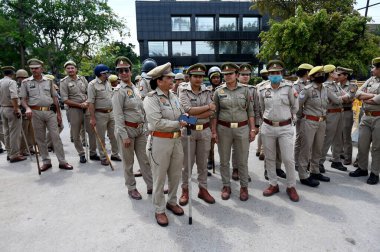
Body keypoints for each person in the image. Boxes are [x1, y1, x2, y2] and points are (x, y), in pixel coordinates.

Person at [144, 62, 186, 227]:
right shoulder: (151, 98)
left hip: (176, 141)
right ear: (159, 81)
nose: (172, 80)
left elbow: (181, 114)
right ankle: (159, 209)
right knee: (159, 177)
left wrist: (188, 119)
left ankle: (172, 201)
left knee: (176, 174)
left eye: (172, 77)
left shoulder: (174, 96)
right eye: (169, 78)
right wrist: (179, 124)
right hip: (159, 141)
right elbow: (156, 123)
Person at [297, 66, 348, 187]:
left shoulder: (326, 89)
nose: (320, 76)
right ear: (312, 77)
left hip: (322, 122)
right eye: (317, 74)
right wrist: (301, 119)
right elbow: (298, 106)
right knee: (306, 149)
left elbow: (336, 100)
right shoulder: (307, 89)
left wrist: (349, 95)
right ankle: (303, 175)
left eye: (322, 74)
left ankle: (315, 171)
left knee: (318, 147)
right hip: (309, 121)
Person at [212, 62, 255, 201]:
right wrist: (214, 131)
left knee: (242, 160)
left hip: (242, 128)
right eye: (225, 74)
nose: (227, 76)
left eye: (230, 74)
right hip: (223, 129)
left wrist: (253, 129)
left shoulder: (245, 90)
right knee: (224, 160)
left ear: (236, 75)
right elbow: (214, 114)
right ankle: (226, 185)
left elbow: (250, 111)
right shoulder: (218, 91)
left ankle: (244, 187)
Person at [112, 56, 153, 199]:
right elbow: (117, 115)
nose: (123, 73)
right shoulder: (119, 91)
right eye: (120, 71)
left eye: (126, 70)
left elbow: (141, 110)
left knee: (145, 160)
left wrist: (146, 128)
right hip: (127, 131)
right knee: (128, 163)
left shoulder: (135, 88)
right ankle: (131, 188)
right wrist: (124, 136)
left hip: (140, 130)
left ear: (130, 71)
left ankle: (151, 184)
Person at [20, 59, 73, 171]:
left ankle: (62, 161)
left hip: (50, 112)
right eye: (32, 68)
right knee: (40, 138)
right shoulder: (26, 82)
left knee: (56, 137)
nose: (34, 70)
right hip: (35, 112)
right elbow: (23, 99)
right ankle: (46, 161)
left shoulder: (49, 81)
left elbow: (54, 98)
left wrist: (59, 114)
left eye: (36, 68)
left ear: (42, 69)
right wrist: (27, 108)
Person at [257, 60, 299, 202]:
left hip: (285, 127)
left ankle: (291, 186)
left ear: (281, 73)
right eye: (272, 73)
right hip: (268, 127)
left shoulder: (289, 87)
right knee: (270, 157)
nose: (275, 75)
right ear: (268, 74)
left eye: (278, 72)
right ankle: (273, 184)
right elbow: (261, 108)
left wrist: (285, 118)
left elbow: (295, 107)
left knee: (288, 158)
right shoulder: (262, 89)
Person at [178, 63, 216, 206]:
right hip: (189, 130)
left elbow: (213, 112)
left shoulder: (207, 90)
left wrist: (195, 113)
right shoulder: (183, 90)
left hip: (205, 130)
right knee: (187, 164)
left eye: (201, 76)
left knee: (202, 163)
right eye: (195, 76)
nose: (199, 79)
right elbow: (187, 109)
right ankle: (185, 190)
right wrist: (206, 108)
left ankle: (203, 189)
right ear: (189, 77)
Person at [60, 60, 99, 163]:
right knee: (76, 134)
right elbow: (64, 99)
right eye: (68, 68)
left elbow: (88, 92)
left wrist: (87, 102)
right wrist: (79, 105)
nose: (70, 70)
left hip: (86, 108)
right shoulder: (64, 82)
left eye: (72, 68)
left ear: (76, 69)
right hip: (74, 110)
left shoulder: (82, 79)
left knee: (92, 131)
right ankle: (81, 154)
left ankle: (93, 153)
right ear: (65, 70)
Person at [349, 57, 380, 185]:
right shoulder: (370, 80)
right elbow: (357, 93)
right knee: (362, 144)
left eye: (373, 68)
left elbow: (377, 100)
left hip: (378, 117)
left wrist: (366, 98)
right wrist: (372, 97)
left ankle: (374, 173)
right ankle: (362, 168)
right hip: (366, 117)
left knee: (377, 148)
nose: (372, 70)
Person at [230, 63, 260, 181]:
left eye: (248, 74)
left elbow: (257, 108)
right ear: (237, 75)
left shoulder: (253, 90)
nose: (246, 77)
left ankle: (243, 171)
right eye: (243, 74)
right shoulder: (231, 87)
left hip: (248, 124)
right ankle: (235, 169)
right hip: (235, 122)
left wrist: (256, 125)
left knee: (244, 149)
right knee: (234, 148)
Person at [319, 65, 351, 172]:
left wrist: (344, 97)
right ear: (330, 74)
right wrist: (345, 97)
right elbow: (337, 100)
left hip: (340, 113)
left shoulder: (336, 85)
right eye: (335, 72)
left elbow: (347, 96)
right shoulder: (326, 86)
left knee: (338, 139)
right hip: (331, 114)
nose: (337, 73)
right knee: (327, 139)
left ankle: (336, 160)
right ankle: (319, 162)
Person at [88, 64, 121, 166]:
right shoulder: (92, 85)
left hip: (111, 113)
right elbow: (91, 102)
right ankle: (103, 157)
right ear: (99, 74)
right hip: (99, 114)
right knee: (101, 137)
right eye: (104, 73)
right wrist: (92, 118)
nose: (107, 75)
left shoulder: (108, 83)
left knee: (114, 135)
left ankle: (115, 154)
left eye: (107, 73)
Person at [0, 66, 26, 163]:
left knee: (6, 132)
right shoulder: (12, 82)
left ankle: (9, 153)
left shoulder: (0, 81)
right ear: (12, 74)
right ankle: (14, 155)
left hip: (2, 108)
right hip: (11, 109)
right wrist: (16, 109)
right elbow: (14, 96)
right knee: (15, 133)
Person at [293, 63, 313, 171]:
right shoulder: (296, 85)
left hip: (309, 116)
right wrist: (298, 117)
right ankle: (296, 161)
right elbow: (297, 103)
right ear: (306, 72)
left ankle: (307, 161)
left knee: (308, 140)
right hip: (301, 116)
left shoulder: (309, 83)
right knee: (300, 139)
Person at [336, 67, 358, 165]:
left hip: (346, 112)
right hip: (337, 111)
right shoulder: (336, 85)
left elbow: (350, 98)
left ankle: (348, 157)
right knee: (338, 135)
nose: (337, 76)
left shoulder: (352, 85)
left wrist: (336, 98)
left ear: (346, 76)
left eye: (339, 74)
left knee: (346, 136)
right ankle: (340, 154)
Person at [207, 66, 222, 171]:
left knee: (222, 144)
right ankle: (210, 160)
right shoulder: (206, 90)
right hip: (209, 120)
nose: (216, 79)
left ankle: (224, 161)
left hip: (222, 120)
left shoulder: (225, 89)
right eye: (213, 78)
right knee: (209, 144)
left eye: (218, 77)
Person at [16, 69, 34, 156]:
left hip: (31, 111)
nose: (22, 79)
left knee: (31, 131)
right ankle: (22, 150)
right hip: (23, 112)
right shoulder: (16, 88)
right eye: (20, 78)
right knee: (24, 132)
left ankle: (30, 147)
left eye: (24, 77)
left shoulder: (29, 85)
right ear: (18, 78)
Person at [256, 68, 269, 160]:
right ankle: (262, 150)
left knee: (261, 131)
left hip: (260, 111)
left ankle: (258, 149)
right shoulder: (268, 85)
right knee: (265, 132)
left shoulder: (258, 85)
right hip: (267, 111)